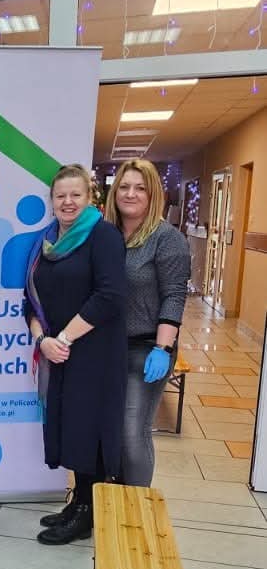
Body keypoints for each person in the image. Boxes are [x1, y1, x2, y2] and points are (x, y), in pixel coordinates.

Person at [24, 164, 127, 544]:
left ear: (90, 198)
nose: (67, 202)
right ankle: (80, 500)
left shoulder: (104, 236)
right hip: (57, 353)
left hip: (94, 354)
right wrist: (42, 341)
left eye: (75, 195)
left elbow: (110, 297)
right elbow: (30, 299)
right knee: (70, 427)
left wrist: (63, 338)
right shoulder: (46, 241)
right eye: (60, 195)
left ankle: (88, 512)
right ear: (51, 200)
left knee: (89, 430)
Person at [105, 158, 191, 487]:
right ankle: (113, 497)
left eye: (140, 188)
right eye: (124, 187)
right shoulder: (106, 235)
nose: (130, 194)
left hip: (145, 348)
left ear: (153, 194)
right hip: (106, 347)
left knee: (132, 433)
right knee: (109, 429)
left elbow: (174, 295)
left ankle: (137, 505)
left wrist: (162, 348)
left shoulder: (167, 239)